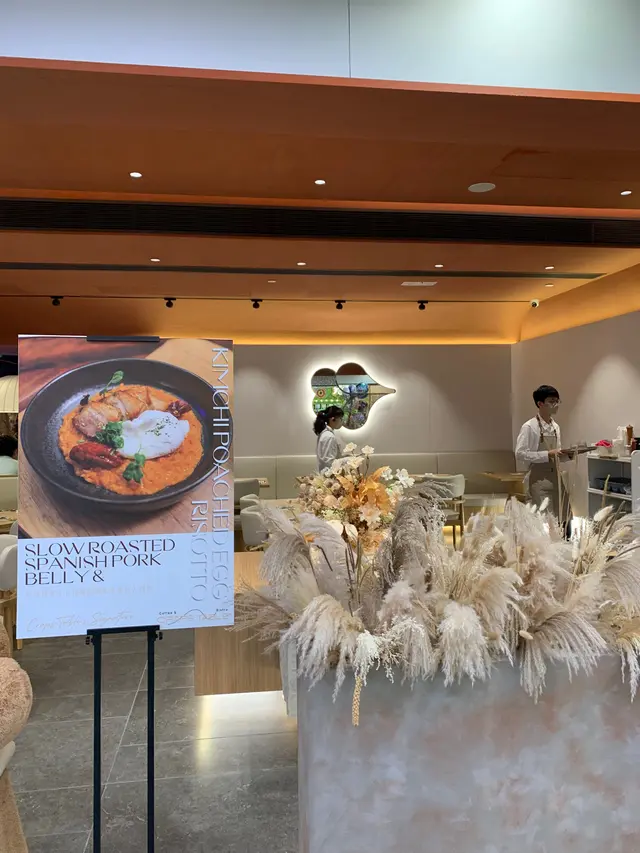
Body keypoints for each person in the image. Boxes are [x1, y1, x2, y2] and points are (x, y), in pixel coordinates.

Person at [515, 385, 572, 519]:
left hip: (556, 478)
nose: (556, 405)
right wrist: (547, 454)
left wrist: (568, 455)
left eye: (557, 401)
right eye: (552, 401)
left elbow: (556, 454)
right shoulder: (529, 427)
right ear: (540, 404)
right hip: (538, 480)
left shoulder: (555, 427)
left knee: (564, 517)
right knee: (544, 520)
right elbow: (520, 453)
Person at [314, 405, 345, 472]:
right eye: (340, 418)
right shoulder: (329, 436)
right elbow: (329, 462)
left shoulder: (325, 434)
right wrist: (348, 460)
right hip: (328, 474)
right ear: (332, 419)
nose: (342, 421)